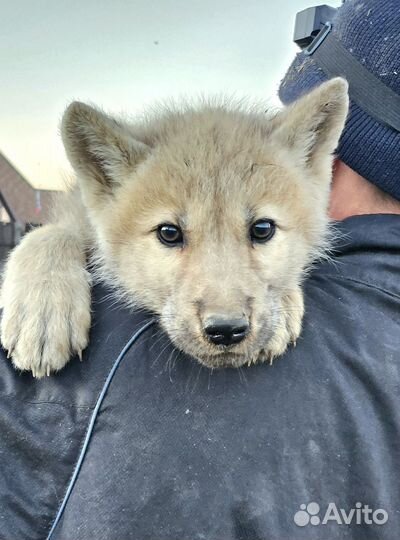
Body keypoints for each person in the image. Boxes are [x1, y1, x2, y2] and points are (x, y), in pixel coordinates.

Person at [1, 0, 399, 538]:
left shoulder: (99, 368)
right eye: (172, 236)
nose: (225, 311)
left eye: (260, 233)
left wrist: (285, 283)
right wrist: (50, 251)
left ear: (328, 160)